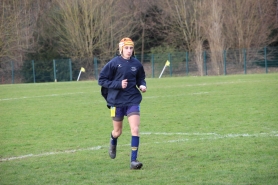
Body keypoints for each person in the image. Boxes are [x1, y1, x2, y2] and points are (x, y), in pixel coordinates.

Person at [98, 37, 147, 170]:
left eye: (131, 48)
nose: (129, 50)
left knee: (135, 129)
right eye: (126, 48)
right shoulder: (113, 63)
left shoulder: (136, 64)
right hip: (117, 101)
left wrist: (142, 85)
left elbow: (140, 78)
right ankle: (113, 140)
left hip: (132, 99)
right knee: (117, 131)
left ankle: (133, 160)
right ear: (121, 49)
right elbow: (101, 80)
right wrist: (118, 84)